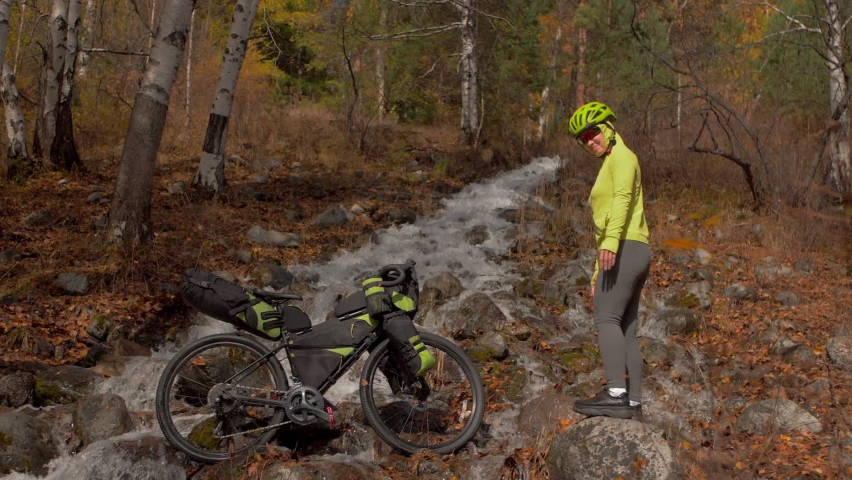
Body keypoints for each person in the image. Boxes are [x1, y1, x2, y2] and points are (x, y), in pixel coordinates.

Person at [568, 102, 651, 420]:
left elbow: (623, 200)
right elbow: (604, 227)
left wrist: (613, 243)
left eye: (592, 132)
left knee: (605, 320)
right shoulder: (612, 161)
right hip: (634, 249)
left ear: (608, 127)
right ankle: (632, 402)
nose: (590, 140)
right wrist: (595, 275)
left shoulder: (622, 158)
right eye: (583, 138)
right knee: (625, 328)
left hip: (626, 247)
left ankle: (616, 394)